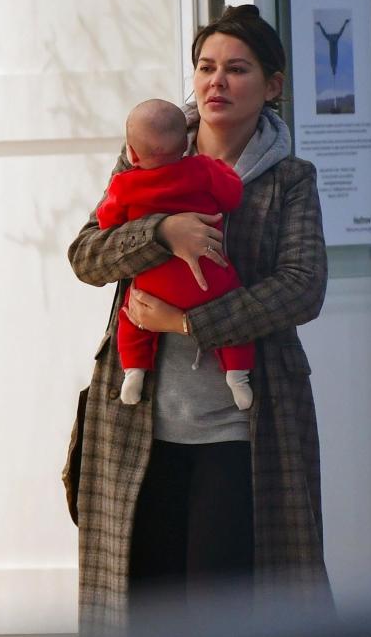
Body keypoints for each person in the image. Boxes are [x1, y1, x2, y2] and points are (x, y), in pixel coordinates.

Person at [64, 3, 371, 637]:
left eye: (237, 67)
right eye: (205, 64)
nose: (215, 81)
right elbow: (87, 254)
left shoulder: (288, 179)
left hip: (248, 429)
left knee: (239, 600)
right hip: (142, 429)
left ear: (271, 83)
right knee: (155, 613)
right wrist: (159, 230)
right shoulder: (152, 155)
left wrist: (193, 322)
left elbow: (301, 288)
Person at [96, 97, 254, 409]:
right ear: (186, 144)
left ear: (131, 153)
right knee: (233, 311)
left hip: (154, 286)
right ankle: (238, 375)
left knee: (132, 316)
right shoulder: (203, 169)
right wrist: (165, 228)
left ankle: (134, 371)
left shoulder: (124, 185)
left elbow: (106, 223)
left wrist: (143, 224)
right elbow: (232, 195)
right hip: (211, 275)